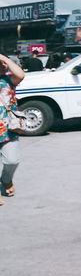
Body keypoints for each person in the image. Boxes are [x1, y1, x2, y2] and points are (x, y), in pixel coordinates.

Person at [0, 53, 26, 206]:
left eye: (4, 64)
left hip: (8, 130)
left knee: (12, 160)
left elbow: (21, 74)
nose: (4, 65)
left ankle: (6, 179)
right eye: (1, 64)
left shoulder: (9, 81)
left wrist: (4, 58)